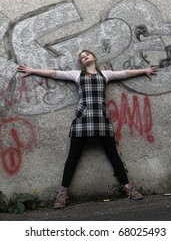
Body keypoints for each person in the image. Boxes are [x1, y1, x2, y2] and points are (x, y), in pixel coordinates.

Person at [18, 50, 157, 209]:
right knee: (73, 157)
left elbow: (124, 73)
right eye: (82, 57)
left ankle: (128, 188)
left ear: (94, 57)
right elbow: (55, 73)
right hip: (82, 120)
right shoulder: (77, 75)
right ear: (81, 62)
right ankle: (62, 194)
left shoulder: (106, 74)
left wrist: (145, 70)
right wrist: (32, 70)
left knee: (113, 155)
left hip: (102, 119)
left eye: (87, 55)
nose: (84, 57)